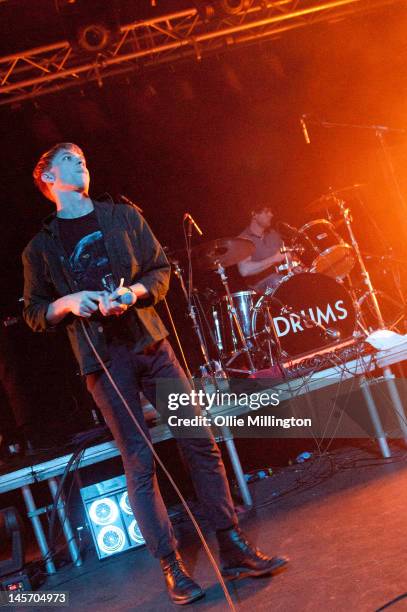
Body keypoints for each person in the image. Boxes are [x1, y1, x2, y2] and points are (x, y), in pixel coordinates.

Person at [22, 143, 287, 605]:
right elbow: (33, 312)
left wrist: (136, 293)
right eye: (68, 158)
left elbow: (160, 270)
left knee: (198, 440)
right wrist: (66, 304)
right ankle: (172, 566)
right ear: (46, 176)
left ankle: (232, 545)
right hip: (104, 361)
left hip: (150, 343)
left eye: (83, 157)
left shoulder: (122, 217)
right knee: (139, 462)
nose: (80, 162)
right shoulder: (40, 248)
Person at [238, 205, 287, 292]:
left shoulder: (273, 234)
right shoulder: (243, 239)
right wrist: (274, 259)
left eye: (271, 212)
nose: (271, 215)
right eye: (267, 211)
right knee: (277, 280)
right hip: (258, 288)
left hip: (281, 278)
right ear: (254, 214)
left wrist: (294, 266)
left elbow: (286, 256)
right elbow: (244, 270)